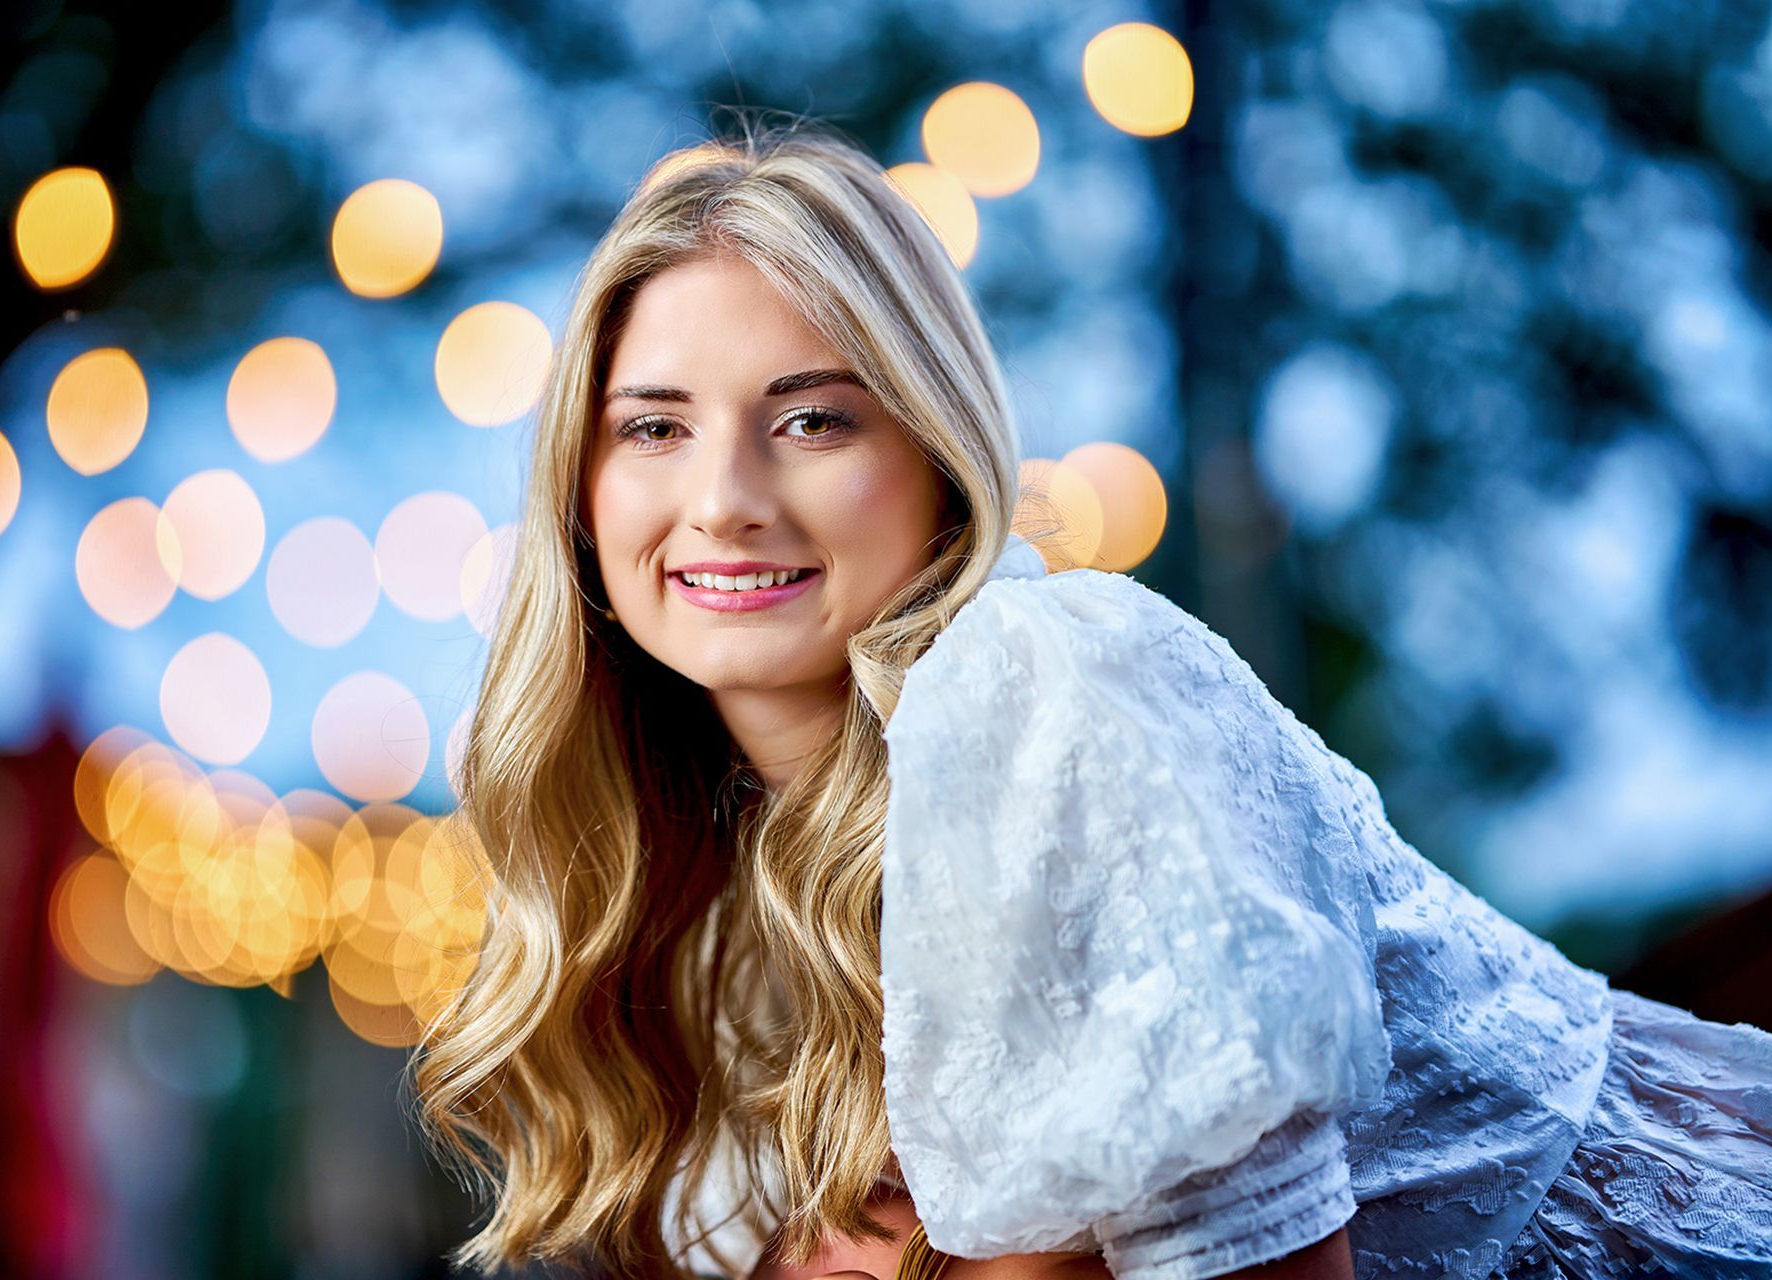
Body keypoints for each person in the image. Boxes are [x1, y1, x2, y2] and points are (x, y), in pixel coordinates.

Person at [411, 112, 1772, 1280]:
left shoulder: (1048, 693)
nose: (724, 500)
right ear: (581, 498)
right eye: (654, 426)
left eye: (814, 418)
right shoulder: (703, 883)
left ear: (937, 454)